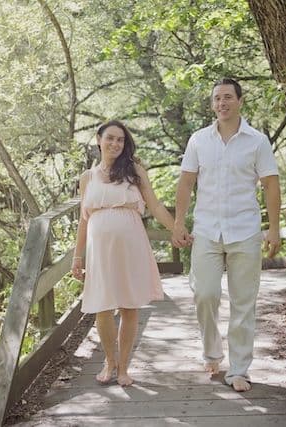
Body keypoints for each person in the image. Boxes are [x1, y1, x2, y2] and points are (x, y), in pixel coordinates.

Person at [172, 78, 281, 392]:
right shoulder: (198, 140)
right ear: (212, 104)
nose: (222, 103)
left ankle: (239, 370)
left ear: (240, 101)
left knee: (243, 302)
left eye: (228, 97)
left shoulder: (257, 141)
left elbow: (271, 185)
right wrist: (178, 223)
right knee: (204, 293)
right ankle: (212, 353)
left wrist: (274, 228)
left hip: (245, 230)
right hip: (206, 230)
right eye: (217, 98)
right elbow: (186, 183)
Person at [71, 120, 175, 387]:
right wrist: (77, 256)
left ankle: (124, 367)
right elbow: (83, 220)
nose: (115, 144)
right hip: (99, 250)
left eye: (120, 140)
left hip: (131, 244)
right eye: (110, 138)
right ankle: (110, 361)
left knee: (129, 305)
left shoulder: (134, 171)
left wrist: (176, 229)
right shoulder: (87, 178)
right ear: (99, 140)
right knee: (102, 305)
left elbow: (155, 205)